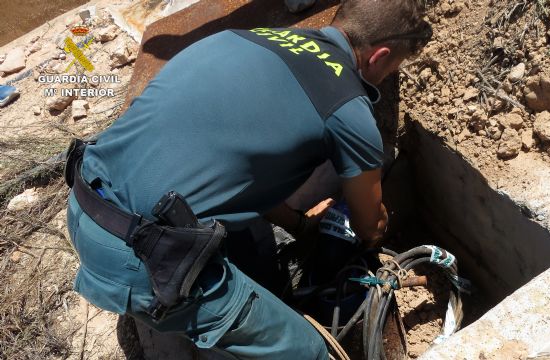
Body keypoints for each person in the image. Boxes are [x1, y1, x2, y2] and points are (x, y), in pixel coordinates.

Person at [65, 0, 431, 358]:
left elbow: (243, 172)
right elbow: (369, 227)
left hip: (84, 198)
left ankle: (257, 309)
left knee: (251, 233)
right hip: (144, 260)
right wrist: (381, 225)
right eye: (390, 68)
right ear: (379, 56)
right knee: (313, 351)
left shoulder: (243, 38)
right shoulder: (348, 107)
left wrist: (299, 224)